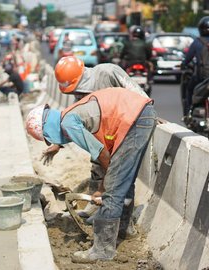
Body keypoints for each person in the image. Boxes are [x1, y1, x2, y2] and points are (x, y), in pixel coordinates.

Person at [25, 87, 157, 263]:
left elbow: (102, 154)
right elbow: (106, 155)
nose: (54, 141)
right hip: (139, 114)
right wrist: (104, 184)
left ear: (47, 131)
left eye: (49, 138)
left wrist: (103, 188)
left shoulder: (68, 124)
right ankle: (124, 229)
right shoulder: (70, 115)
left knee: (113, 189)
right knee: (124, 179)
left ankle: (103, 250)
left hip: (133, 119)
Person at [42, 56, 148, 239]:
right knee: (101, 166)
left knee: (118, 176)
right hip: (105, 131)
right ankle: (105, 213)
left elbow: (136, 93)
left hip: (126, 125)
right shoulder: (80, 91)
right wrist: (58, 144)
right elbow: (77, 119)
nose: (76, 95)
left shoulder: (107, 72)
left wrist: (149, 112)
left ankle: (118, 228)